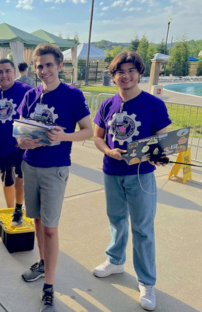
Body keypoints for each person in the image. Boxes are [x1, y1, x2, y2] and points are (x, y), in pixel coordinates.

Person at [92, 51, 171, 311]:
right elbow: (98, 137)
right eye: (119, 72)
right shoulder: (107, 105)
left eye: (131, 71)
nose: (125, 76)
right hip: (111, 172)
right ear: (113, 76)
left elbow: (165, 142)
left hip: (141, 175)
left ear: (139, 73)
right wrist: (108, 151)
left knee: (143, 229)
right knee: (116, 221)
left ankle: (147, 281)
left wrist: (160, 155)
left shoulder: (153, 104)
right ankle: (115, 261)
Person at [17, 43, 92, 312]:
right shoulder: (30, 96)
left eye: (49, 65)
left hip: (55, 168)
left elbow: (88, 131)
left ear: (60, 65)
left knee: (50, 227)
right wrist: (23, 143)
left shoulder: (72, 95)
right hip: (30, 166)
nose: (44, 70)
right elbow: (20, 133)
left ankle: (48, 286)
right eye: (39, 66)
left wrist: (64, 137)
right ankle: (42, 262)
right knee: (36, 220)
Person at [0, 59, 32, 226]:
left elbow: (34, 118)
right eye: (0, 72)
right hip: (0, 145)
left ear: (15, 73)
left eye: (7, 71)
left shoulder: (26, 91)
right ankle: (11, 211)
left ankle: (18, 209)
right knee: (7, 179)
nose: (4, 75)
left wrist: (26, 139)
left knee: (20, 177)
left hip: (20, 146)